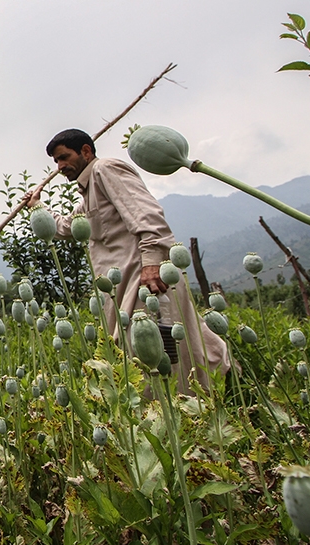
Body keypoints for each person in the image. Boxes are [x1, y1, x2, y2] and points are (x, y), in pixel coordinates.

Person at [26, 128, 228, 391]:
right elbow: (66, 226)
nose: (60, 166)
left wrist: (152, 262)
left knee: (161, 354)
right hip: (121, 288)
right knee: (144, 355)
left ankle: (189, 404)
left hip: (145, 281)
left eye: (64, 157)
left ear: (86, 151)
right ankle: (195, 399)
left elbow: (146, 213)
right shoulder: (89, 191)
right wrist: (38, 208)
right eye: (56, 161)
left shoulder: (106, 169)